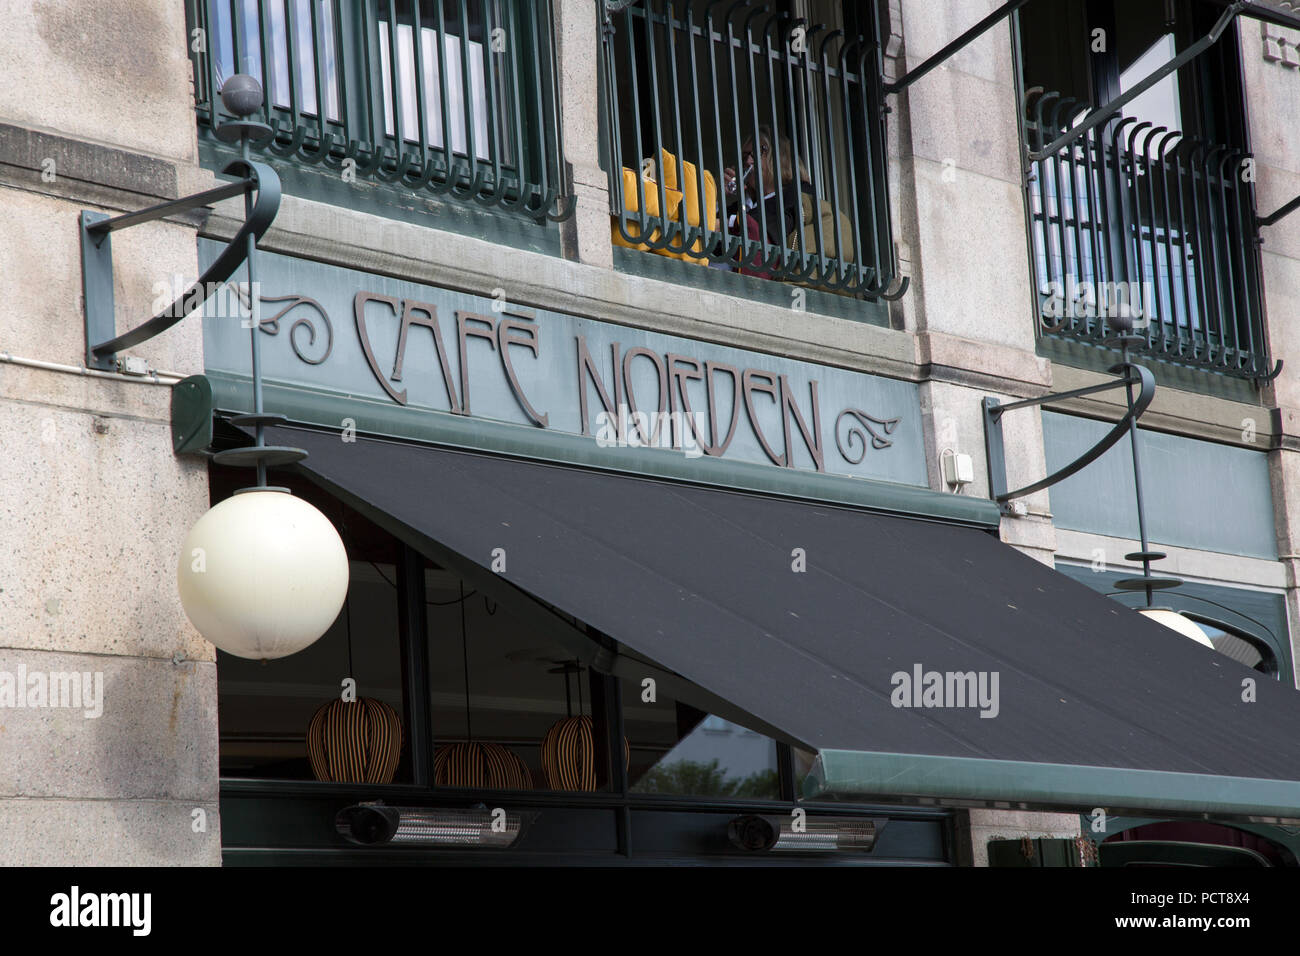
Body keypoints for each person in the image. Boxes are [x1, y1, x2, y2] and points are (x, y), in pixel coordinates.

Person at [721, 127, 854, 287]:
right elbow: (711, 238)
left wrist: (727, 223)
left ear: (780, 158)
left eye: (759, 152)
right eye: (745, 156)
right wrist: (719, 195)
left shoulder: (799, 195)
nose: (749, 161)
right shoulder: (744, 203)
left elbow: (768, 229)